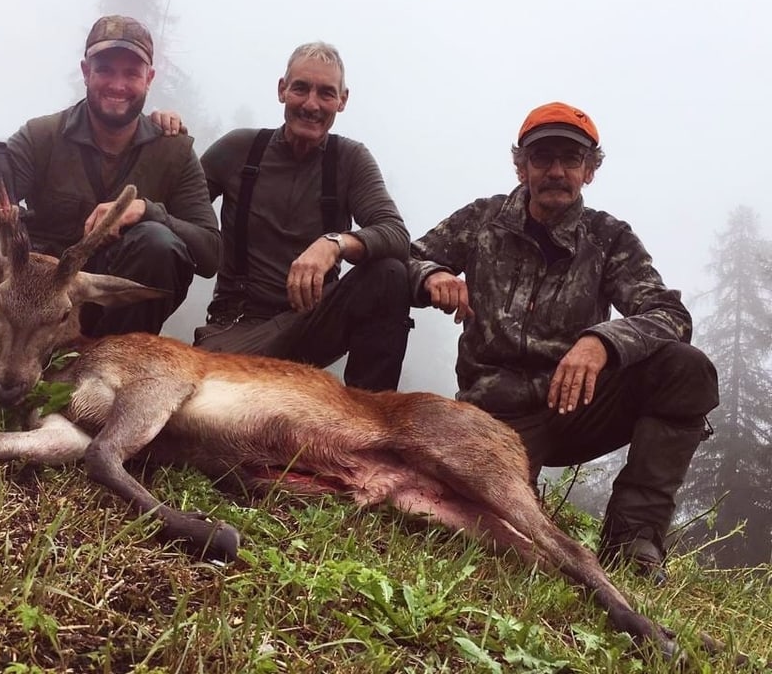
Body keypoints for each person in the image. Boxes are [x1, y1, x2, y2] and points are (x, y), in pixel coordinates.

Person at [408, 101, 718, 576]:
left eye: (570, 159)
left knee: (685, 368)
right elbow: (404, 259)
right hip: (494, 417)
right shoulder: (481, 220)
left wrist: (602, 341)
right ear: (520, 165)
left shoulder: (609, 238)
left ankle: (633, 540)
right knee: (484, 531)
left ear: (590, 170)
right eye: (542, 158)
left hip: (579, 405)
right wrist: (432, 274)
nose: (555, 171)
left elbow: (669, 313)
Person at [0, 15, 220, 392]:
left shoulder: (174, 152)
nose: (117, 84)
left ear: (149, 78)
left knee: (159, 244)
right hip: (29, 304)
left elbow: (210, 252)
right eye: (105, 69)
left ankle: (110, 375)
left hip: (106, 311)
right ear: (85, 71)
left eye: (131, 73)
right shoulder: (43, 136)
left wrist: (148, 210)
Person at [194, 42, 411, 392]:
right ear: (282, 90)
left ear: (343, 100)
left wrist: (335, 243)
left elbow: (396, 234)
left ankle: (368, 416)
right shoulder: (238, 149)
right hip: (237, 326)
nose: (311, 105)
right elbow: (181, 208)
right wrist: (167, 137)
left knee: (389, 274)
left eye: (326, 93)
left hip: (310, 324)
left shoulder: (350, 160)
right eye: (301, 88)